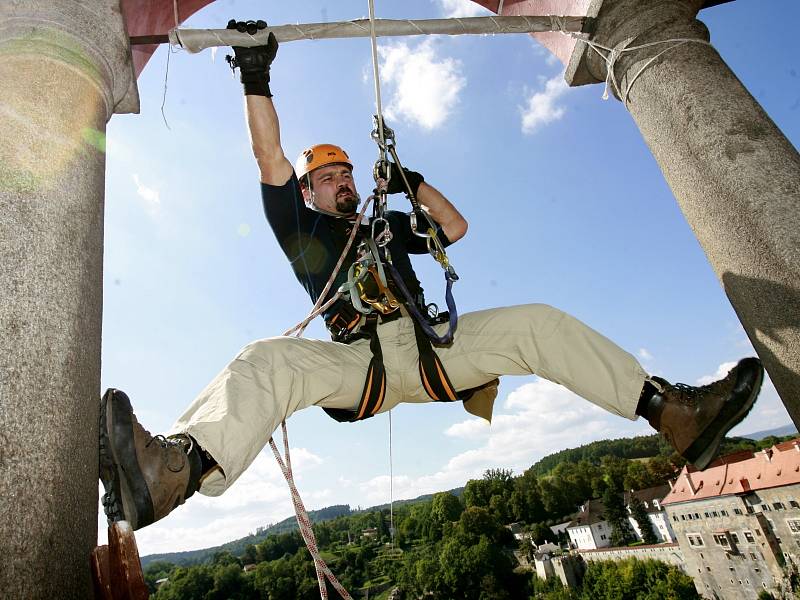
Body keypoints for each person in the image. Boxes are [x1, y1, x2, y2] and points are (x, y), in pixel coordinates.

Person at [99, 21, 764, 531]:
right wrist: (254, 72)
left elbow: (454, 229)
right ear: (309, 192)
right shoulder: (302, 231)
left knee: (535, 321)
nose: (343, 184)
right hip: (358, 364)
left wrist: (408, 182)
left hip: (431, 349)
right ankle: (175, 472)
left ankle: (671, 414)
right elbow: (268, 154)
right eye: (329, 179)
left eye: (348, 174)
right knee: (266, 361)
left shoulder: (384, 228)